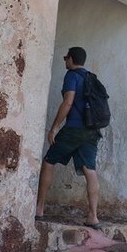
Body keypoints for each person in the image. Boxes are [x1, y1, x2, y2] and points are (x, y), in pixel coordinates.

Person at [35, 47, 104, 229]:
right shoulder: (90, 77)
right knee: (89, 169)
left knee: (49, 160)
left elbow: (68, 102)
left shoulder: (72, 76)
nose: (65, 61)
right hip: (92, 130)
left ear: (71, 59)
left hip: (74, 128)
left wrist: (54, 128)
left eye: (66, 58)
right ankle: (93, 217)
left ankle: (39, 209)